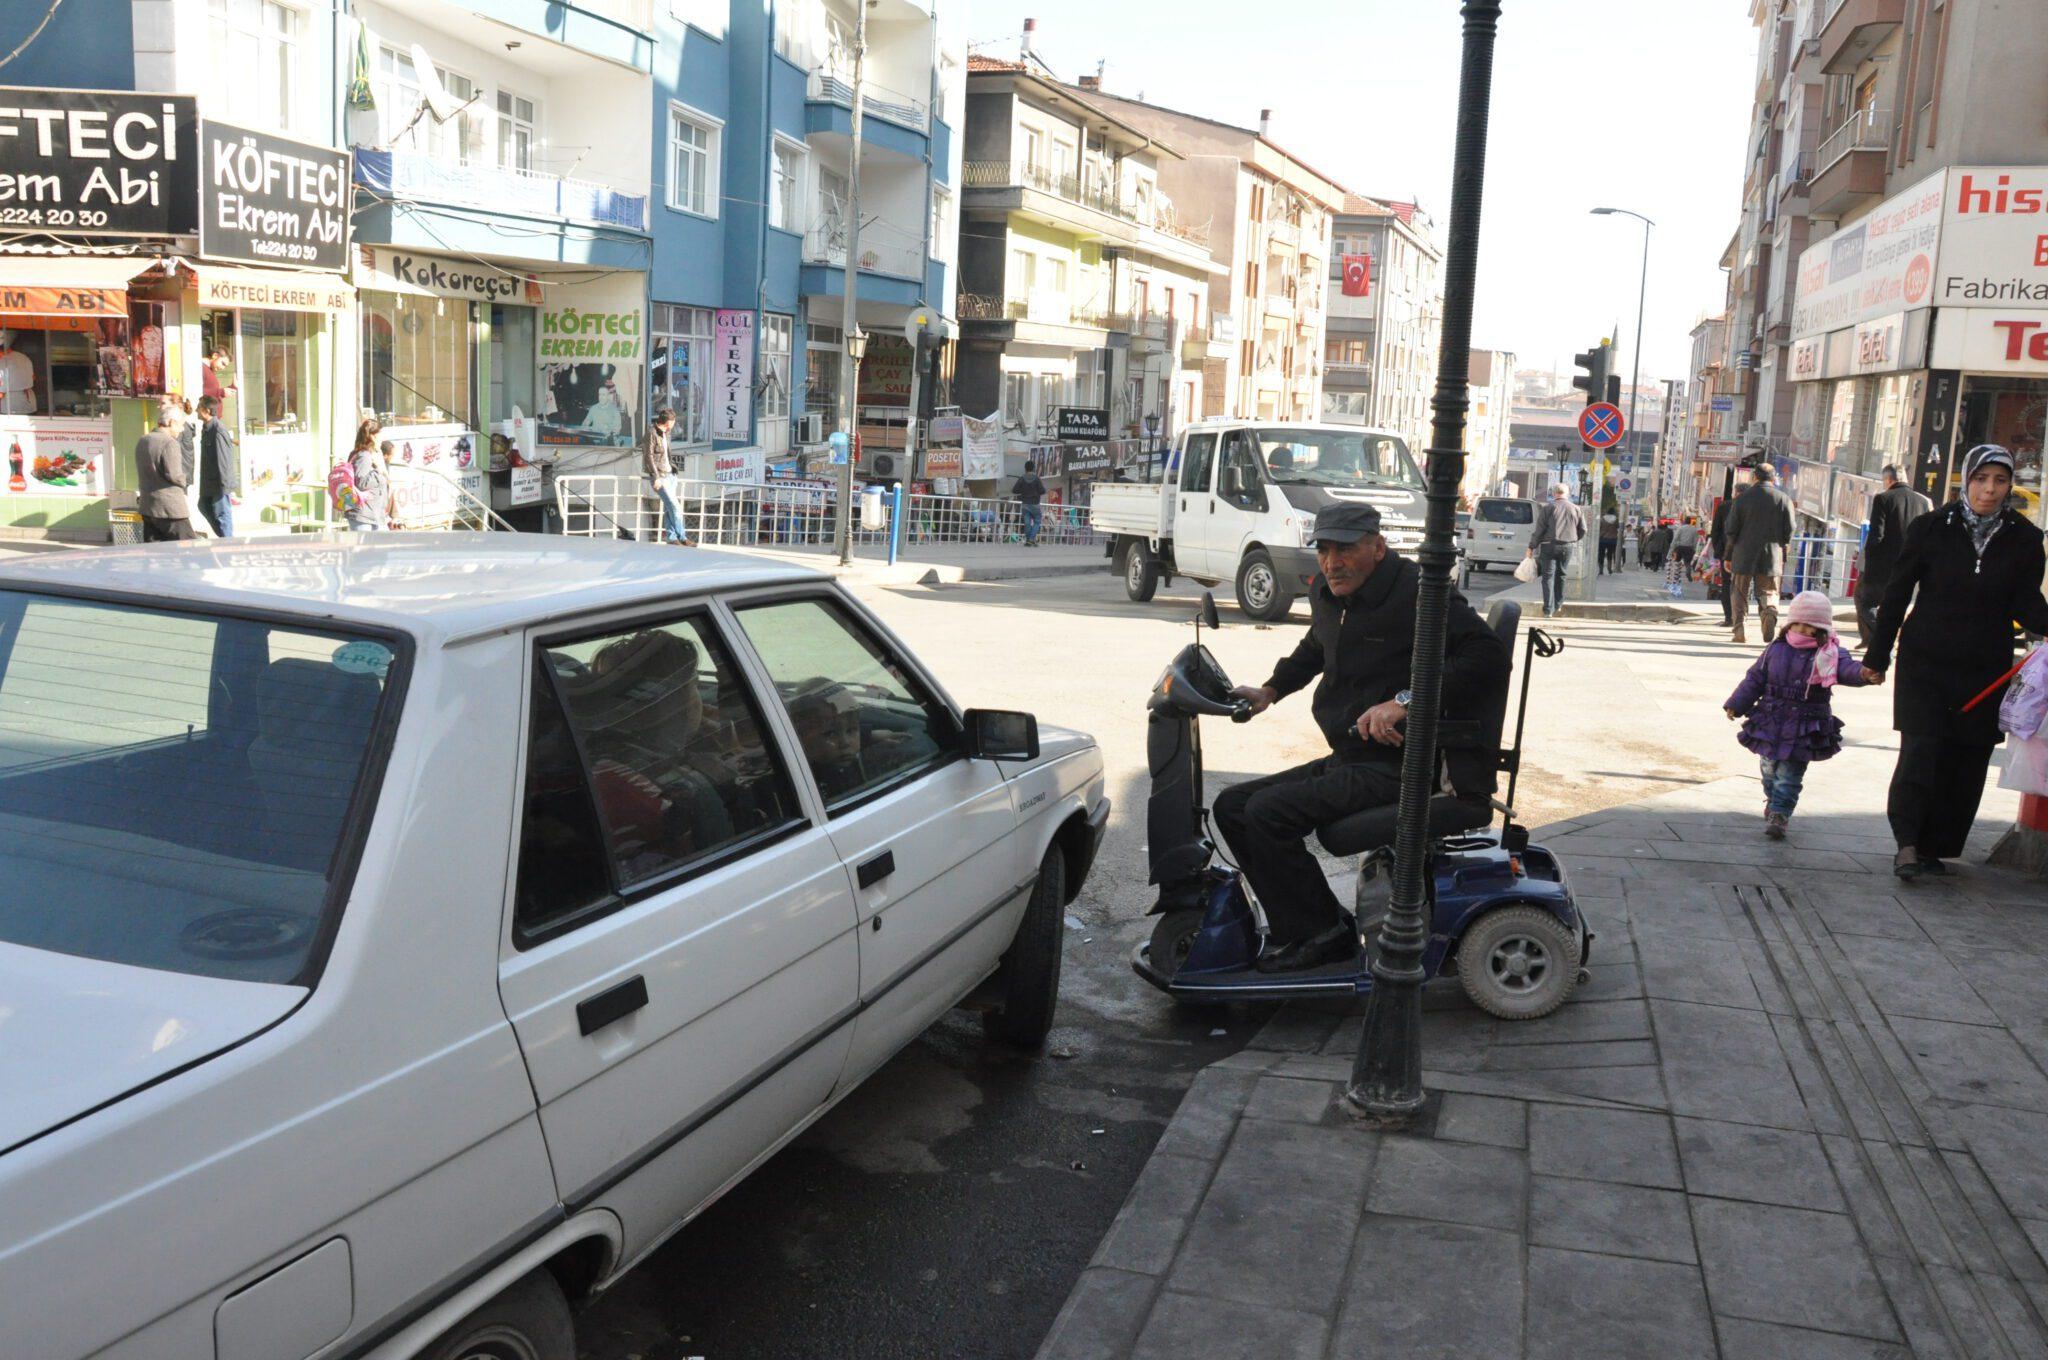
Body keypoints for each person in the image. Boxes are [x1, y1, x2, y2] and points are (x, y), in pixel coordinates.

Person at [1217, 503, 1511, 972]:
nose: (1333, 562)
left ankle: (1323, 936)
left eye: (1346, 549)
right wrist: (1271, 690)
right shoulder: (1331, 593)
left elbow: (1487, 657)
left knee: (1268, 814)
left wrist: (1406, 701)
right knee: (1231, 807)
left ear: (1377, 547)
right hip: (1352, 754)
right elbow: (1318, 645)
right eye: (1325, 550)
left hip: (1403, 762)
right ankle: (1310, 922)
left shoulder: (1419, 591)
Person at [1864, 444, 2048, 879]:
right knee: (1921, 751)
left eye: (2000, 481)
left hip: (1985, 667)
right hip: (1925, 661)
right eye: (1981, 479)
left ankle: (1935, 847)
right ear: (1966, 480)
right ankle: (1907, 844)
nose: (1989, 490)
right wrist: (1877, 655)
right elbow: (1896, 594)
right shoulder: (1930, 528)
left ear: (2010, 486)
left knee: (1965, 759)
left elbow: (2028, 605)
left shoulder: (2025, 538)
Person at [1725, 590, 1881, 840]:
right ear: (1789, 625)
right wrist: (1736, 704)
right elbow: (1755, 678)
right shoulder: (1775, 650)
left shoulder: (1830, 653)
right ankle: (1773, 799)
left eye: (1811, 626)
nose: (1804, 631)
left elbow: (1847, 669)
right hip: (1771, 718)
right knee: (1769, 768)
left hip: (1805, 724)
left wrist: (1864, 674)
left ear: (1822, 628)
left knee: (1789, 774)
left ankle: (1780, 814)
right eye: (1798, 624)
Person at [1855, 464, 1934, 642]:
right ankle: (1881, 641)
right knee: (1893, 607)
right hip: (1909, 567)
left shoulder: (1883, 499)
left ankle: (1883, 639)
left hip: (1882, 567)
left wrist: (1868, 568)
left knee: (1866, 603)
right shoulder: (1922, 501)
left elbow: (1876, 536)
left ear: (1888, 480)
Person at [1722, 462, 1796, 644]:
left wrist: (1728, 555)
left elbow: (1731, 530)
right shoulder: (1783, 499)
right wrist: (1783, 544)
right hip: (1772, 554)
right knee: (1769, 590)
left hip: (1743, 553)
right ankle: (1769, 611)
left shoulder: (1742, 499)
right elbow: (1791, 528)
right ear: (1773, 478)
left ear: (1754, 477)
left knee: (1739, 592)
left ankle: (1740, 629)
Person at [135, 399, 193, 542]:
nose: (182, 430)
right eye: (180, 425)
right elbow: (174, 475)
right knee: (190, 549)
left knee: (156, 554)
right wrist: (186, 480)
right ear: (172, 422)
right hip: (169, 508)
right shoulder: (169, 443)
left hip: (148, 506)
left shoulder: (143, 440)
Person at [1526, 482, 1586, 617]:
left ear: (1554, 494)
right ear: (1567, 494)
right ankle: (1558, 604)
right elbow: (1583, 529)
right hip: (1567, 546)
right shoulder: (1576, 508)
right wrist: (1574, 539)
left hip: (1548, 545)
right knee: (1562, 575)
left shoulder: (1547, 508)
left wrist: (1531, 546)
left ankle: (1548, 610)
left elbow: (1539, 530)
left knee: (1548, 576)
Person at [195, 394, 238, 538]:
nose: (196, 410)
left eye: (198, 407)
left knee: (222, 513)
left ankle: (227, 542)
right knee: (204, 506)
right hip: (209, 483)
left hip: (218, 484)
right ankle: (223, 537)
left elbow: (224, 460)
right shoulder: (207, 428)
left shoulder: (218, 430)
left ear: (206, 410)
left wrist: (225, 487)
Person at [644, 407, 688, 545]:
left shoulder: (666, 433)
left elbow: (667, 454)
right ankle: (683, 537)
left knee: (670, 508)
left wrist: (673, 469)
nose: (674, 424)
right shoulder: (651, 433)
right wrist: (655, 476)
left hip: (670, 475)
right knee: (676, 507)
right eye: (673, 421)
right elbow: (648, 456)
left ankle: (671, 537)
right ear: (668, 422)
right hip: (660, 476)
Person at [347, 437, 395, 531]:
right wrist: (379, 473)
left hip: (374, 513)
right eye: (379, 436)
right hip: (363, 513)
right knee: (364, 544)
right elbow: (361, 482)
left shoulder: (368, 456)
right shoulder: (364, 456)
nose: (380, 441)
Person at [1709, 495, 1735, 626]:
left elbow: (1715, 530)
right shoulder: (1758, 505)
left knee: (1727, 584)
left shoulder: (1725, 506)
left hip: (1726, 552)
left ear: (1736, 493)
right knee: (1744, 586)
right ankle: (1741, 618)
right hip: (1747, 553)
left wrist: (1718, 549)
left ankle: (1729, 618)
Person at [1012, 461, 1047, 546]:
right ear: (1034, 468)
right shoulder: (1037, 479)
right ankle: (1031, 539)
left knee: (1027, 522)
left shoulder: (1022, 478)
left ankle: (1028, 540)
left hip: (1025, 504)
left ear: (1025, 469)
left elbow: (1014, 490)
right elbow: (1042, 491)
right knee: (1037, 521)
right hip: (1035, 504)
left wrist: (1023, 491)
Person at [1598, 508, 1620, 574]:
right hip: (1612, 540)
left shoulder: (1602, 519)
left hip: (1602, 539)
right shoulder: (1616, 519)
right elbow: (1618, 527)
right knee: (1610, 554)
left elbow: (1599, 527)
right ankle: (1609, 568)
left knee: (1601, 554)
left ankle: (1601, 570)